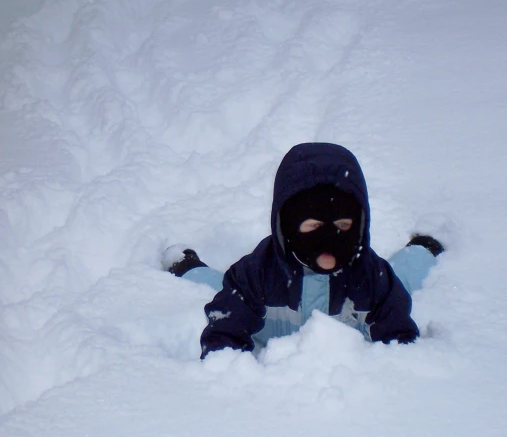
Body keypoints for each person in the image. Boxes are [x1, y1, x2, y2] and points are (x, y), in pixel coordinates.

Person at [164, 142, 443, 359]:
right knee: (220, 288)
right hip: (270, 317)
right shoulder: (257, 273)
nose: (329, 240)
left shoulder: (372, 277)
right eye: (313, 226)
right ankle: (187, 267)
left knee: (402, 280)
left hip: (361, 306)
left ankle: (421, 249)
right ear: (287, 227)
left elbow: (399, 341)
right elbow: (224, 330)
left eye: (343, 225)